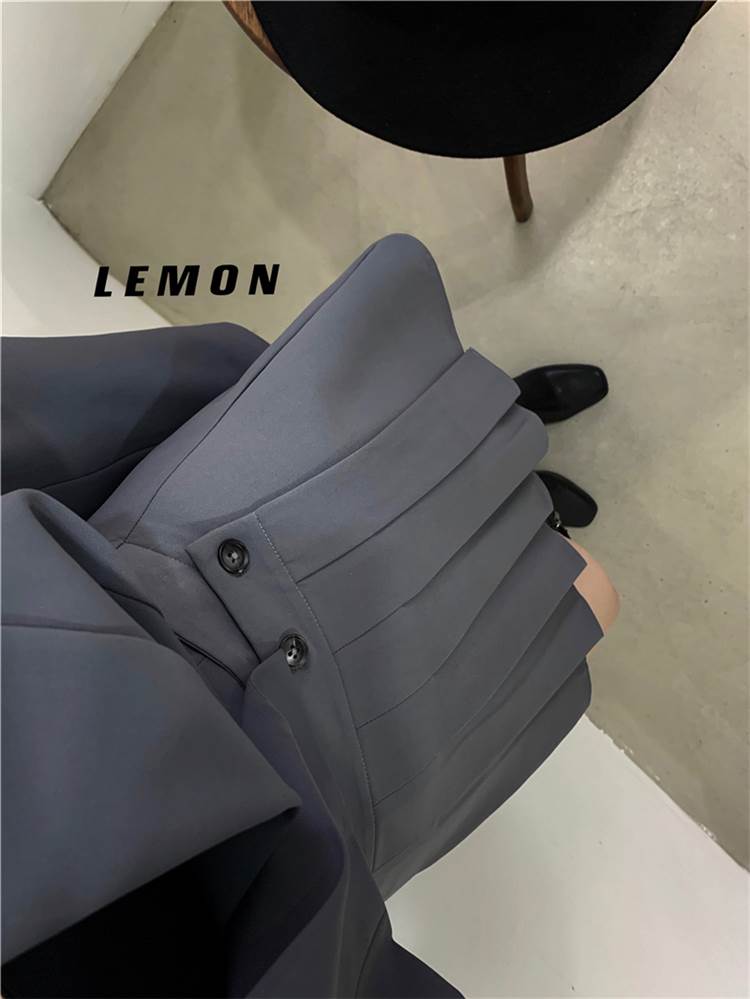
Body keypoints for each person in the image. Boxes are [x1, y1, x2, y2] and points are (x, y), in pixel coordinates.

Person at [1, 235, 617, 998]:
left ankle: (504, 427)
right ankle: (529, 504)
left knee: (424, 428)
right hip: (338, 825)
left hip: (184, 584)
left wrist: (197, 393)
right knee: (572, 592)